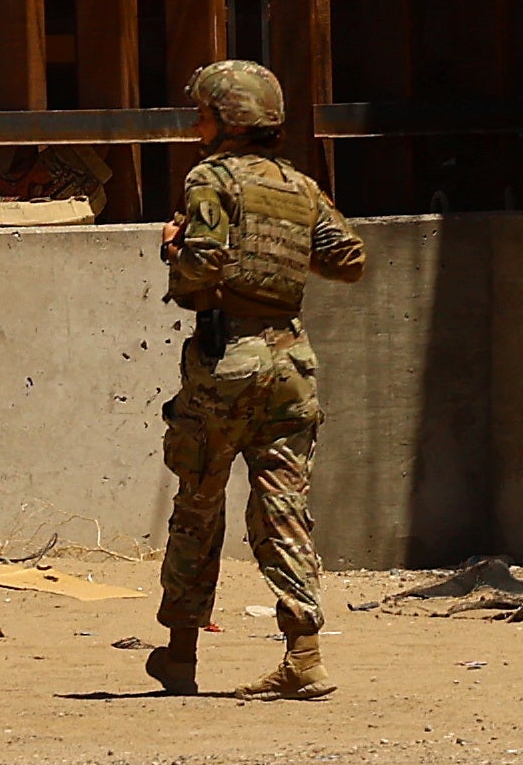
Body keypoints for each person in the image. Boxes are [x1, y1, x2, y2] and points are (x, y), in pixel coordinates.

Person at [147, 58, 366, 699]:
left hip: (229, 362)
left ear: (230, 119)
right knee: (285, 510)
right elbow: (347, 259)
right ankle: (304, 655)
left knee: (198, 503)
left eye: (205, 113)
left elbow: (202, 266)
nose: (197, 124)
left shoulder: (210, 178)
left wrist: (176, 255)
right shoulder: (299, 186)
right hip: (292, 364)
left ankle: (182, 654)